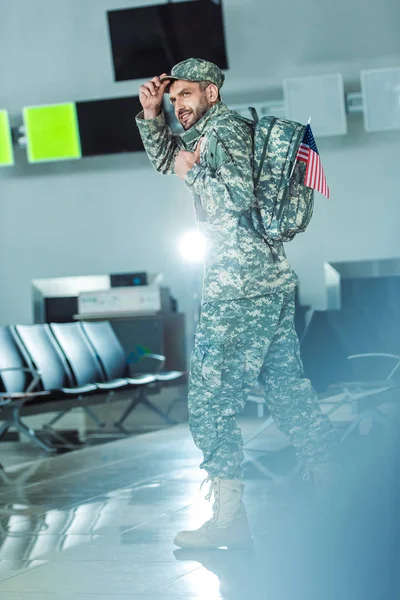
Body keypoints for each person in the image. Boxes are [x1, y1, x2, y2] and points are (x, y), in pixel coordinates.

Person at [136, 58, 338, 550]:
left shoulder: (221, 133)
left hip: (238, 289)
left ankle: (228, 523)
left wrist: (191, 172)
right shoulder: (222, 129)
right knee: (288, 390)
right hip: (267, 282)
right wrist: (151, 117)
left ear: (211, 92)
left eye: (186, 94)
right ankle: (339, 495)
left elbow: (234, 196)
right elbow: (171, 159)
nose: (179, 104)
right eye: (174, 96)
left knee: (208, 405)